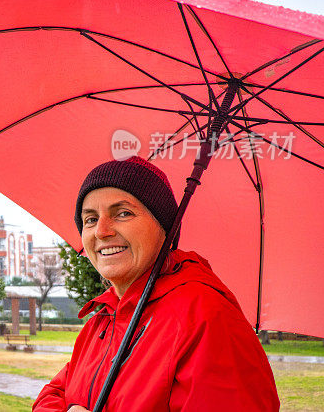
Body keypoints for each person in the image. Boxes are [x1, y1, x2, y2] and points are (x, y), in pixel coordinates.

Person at [33, 156, 279, 411]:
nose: (101, 231)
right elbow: (53, 393)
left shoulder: (205, 317)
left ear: (166, 229)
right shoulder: (102, 320)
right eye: (91, 219)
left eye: (123, 213)